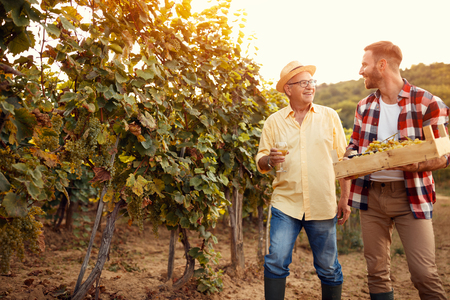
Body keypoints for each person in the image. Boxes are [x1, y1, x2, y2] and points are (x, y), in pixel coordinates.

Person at [346, 41, 449, 300]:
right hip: (371, 197)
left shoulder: (428, 103)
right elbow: (355, 146)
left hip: (410, 195)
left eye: (364, 64)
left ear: (382, 65)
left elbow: (445, 155)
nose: (361, 71)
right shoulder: (364, 106)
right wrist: (346, 159)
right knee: (377, 272)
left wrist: (418, 165)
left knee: (424, 273)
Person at [256, 61, 351, 300]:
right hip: (286, 204)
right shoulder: (273, 122)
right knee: (276, 261)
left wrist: (345, 198)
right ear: (288, 89)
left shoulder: (329, 117)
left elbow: (343, 161)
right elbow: (260, 160)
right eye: (304, 83)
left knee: (328, 268)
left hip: (322, 203)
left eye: (312, 82)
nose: (310, 87)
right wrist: (269, 159)